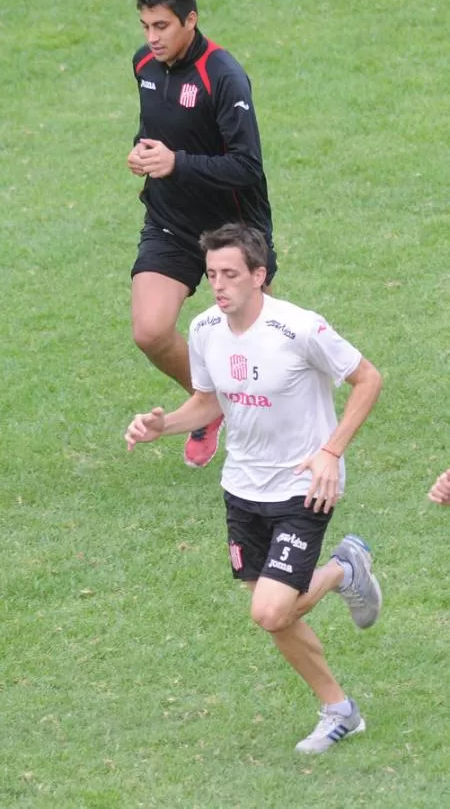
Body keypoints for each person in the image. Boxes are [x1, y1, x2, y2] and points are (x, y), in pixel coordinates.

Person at [125, 222, 383, 754]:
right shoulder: (203, 330)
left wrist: (331, 452)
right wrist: (164, 424)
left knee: (269, 610)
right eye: (212, 274)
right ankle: (340, 700)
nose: (219, 285)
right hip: (242, 487)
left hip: (304, 485)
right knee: (276, 614)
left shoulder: (300, 329)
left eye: (231, 274)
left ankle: (341, 578)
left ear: (259, 276)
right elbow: (209, 400)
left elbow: (368, 380)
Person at [126, 0, 277, 469]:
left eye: (163, 25)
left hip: (234, 231)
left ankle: (280, 446)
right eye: (147, 24)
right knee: (150, 331)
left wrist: (179, 162)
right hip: (170, 220)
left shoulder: (223, 75)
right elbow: (157, 127)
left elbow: (247, 165)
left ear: (191, 20)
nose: (152, 36)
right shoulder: (144, 64)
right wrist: (143, 152)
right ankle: (207, 405)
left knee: (257, 351)